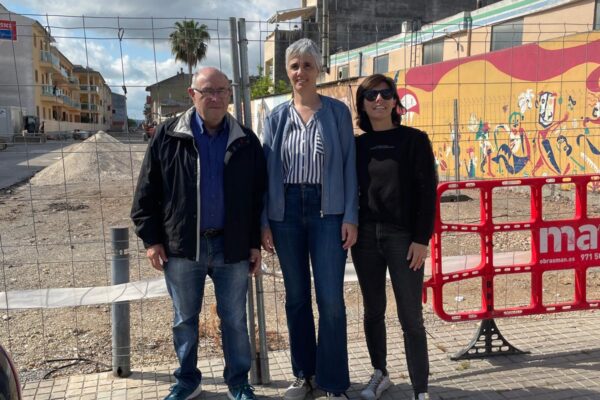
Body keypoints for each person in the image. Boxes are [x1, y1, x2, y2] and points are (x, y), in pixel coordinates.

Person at [131, 67, 267, 400]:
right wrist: (152, 240)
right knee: (184, 319)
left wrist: (253, 244)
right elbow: (146, 192)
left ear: (230, 95)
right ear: (192, 95)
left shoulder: (246, 141)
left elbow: (256, 198)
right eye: (207, 91)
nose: (215, 98)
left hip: (231, 246)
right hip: (182, 247)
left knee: (234, 319)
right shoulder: (167, 136)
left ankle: (238, 382)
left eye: (222, 90)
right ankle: (187, 381)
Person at [261, 38, 358, 400]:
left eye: (307, 65)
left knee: (331, 300)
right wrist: (265, 221)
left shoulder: (337, 113)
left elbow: (349, 166)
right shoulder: (275, 117)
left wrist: (350, 216)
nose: (300, 72)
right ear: (287, 72)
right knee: (296, 297)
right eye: (294, 66)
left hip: (328, 212)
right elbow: (266, 173)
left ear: (319, 69)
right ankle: (304, 375)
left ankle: (333, 382)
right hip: (285, 212)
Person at [351, 74, 437, 400]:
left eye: (386, 93)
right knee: (373, 310)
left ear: (395, 101)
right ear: (362, 104)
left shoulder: (414, 140)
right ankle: (380, 372)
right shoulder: (357, 146)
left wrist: (422, 239)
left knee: (411, 317)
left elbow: (428, 192)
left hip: (404, 238)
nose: (379, 100)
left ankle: (420, 389)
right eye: (371, 95)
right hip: (366, 238)